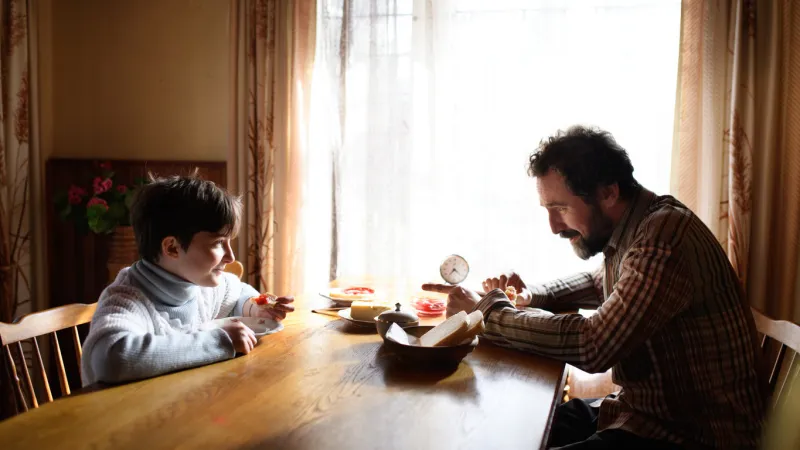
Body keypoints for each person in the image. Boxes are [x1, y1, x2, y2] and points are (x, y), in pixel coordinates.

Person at [423, 126, 765, 449]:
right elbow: (596, 282)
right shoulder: (638, 228)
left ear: (608, 192)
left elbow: (594, 344)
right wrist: (530, 295)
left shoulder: (664, 236)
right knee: (505, 427)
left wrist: (487, 312)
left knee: (515, 432)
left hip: (690, 437)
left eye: (560, 208)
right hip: (639, 415)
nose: (553, 226)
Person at [81, 173, 294, 385]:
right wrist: (220, 341)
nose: (231, 256)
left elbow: (238, 293)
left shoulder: (198, 284)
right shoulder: (126, 300)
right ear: (172, 248)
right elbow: (110, 359)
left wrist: (255, 308)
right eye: (218, 243)